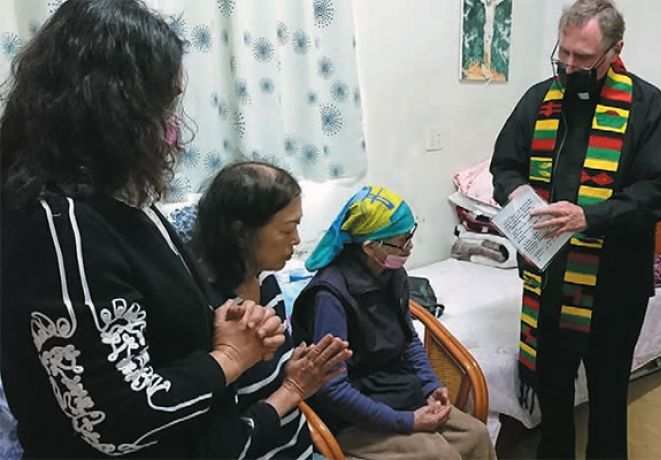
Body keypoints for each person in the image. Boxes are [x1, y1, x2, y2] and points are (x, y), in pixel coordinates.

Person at [1, 1, 314, 457]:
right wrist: (229, 358)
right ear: (114, 107)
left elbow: (158, 315)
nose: (171, 126)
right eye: (163, 104)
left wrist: (219, 319)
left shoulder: (117, 200)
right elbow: (114, 419)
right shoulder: (55, 224)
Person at [489, 0, 661, 457]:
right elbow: (505, 165)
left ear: (615, 51)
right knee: (553, 392)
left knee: (608, 395)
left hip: (615, 283)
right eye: (564, 54)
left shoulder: (647, 105)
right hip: (548, 277)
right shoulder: (539, 98)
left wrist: (589, 218)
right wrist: (516, 194)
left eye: (583, 58)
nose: (570, 67)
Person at [292, 186, 495, 460]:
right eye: (401, 241)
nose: (409, 247)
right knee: (438, 454)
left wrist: (430, 385)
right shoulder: (330, 297)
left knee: (476, 436)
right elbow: (334, 390)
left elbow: (408, 340)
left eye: (409, 237)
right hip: (351, 415)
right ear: (370, 246)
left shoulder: (392, 273)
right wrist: (407, 422)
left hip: (394, 391)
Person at [192, 161, 352, 458]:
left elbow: (277, 371)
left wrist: (302, 370)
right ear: (241, 233)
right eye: (287, 229)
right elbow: (223, 446)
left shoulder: (267, 282)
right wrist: (292, 388)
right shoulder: (209, 310)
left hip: (298, 446)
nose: (297, 240)